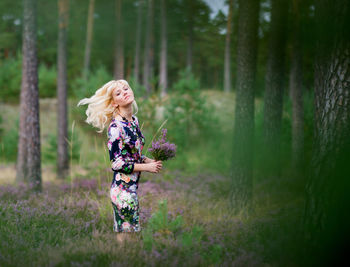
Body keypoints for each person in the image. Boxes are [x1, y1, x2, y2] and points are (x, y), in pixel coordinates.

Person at [77, 79, 162, 245]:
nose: (124, 92)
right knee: (127, 237)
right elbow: (116, 164)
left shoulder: (133, 121)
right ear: (114, 103)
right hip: (122, 190)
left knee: (131, 234)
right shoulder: (116, 127)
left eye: (126, 88)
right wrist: (147, 167)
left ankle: (123, 258)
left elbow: (132, 155)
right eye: (118, 93)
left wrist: (149, 160)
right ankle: (121, 259)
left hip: (131, 188)